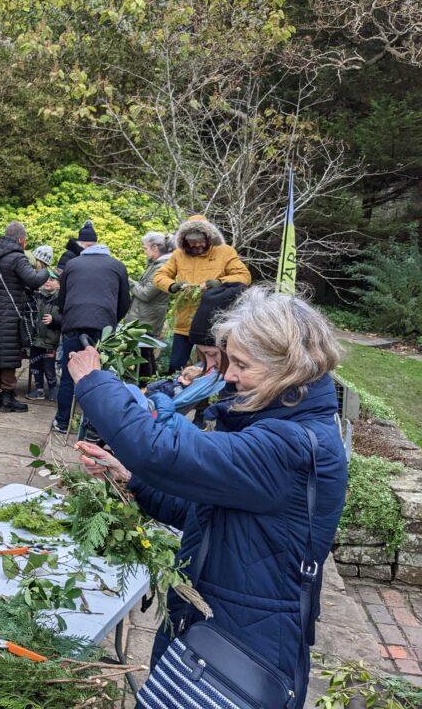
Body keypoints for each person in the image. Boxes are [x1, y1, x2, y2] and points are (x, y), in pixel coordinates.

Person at [67, 287, 347, 708]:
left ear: (285, 368)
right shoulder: (281, 428)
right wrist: (131, 479)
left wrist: (94, 383)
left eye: (241, 364)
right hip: (217, 626)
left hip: (244, 644)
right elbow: (208, 513)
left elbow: (161, 451)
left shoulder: (290, 447)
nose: (228, 375)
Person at [52, 221, 130, 433]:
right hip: (103, 329)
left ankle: (62, 421)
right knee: (99, 375)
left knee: (70, 374)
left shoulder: (72, 265)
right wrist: (111, 323)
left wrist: (69, 317)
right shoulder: (118, 266)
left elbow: (62, 299)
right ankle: (94, 425)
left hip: (74, 324)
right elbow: (124, 302)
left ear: (83, 247)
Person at [154, 214, 251, 373]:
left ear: (209, 237)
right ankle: (177, 391)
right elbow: (159, 276)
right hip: (185, 320)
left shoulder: (225, 252)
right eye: (192, 242)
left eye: (200, 241)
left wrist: (219, 282)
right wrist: (173, 286)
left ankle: (210, 395)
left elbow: (244, 276)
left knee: (214, 367)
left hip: (212, 320)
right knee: (175, 364)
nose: (197, 245)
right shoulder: (179, 255)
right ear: (184, 241)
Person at [0, 221, 49, 412]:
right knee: (8, 354)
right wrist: (46, 270)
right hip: (8, 312)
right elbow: (34, 280)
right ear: (20, 239)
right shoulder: (17, 258)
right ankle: (8, 398)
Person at [126, 231, 173, 379]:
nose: (144, 251)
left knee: (143, 354)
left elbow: (146, 293)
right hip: (145, 316)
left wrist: (128, 281)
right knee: (146, 354)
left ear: (154, 248)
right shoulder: (156, 264)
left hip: (146, 319)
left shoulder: (162, 268)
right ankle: (147, 385)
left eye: (145, 248)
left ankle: (145, 386)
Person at [26, 272, 61, 400]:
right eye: (47, 279)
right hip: (36, 339)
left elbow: (66, 317)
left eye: (52, 280)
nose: (48, 281)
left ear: (59, 285)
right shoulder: (38, 296)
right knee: (35, 364)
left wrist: (54, 319)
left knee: (49, 366)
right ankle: (39, 388)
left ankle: (53, 387)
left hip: (51, 340)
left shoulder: (61, 299)